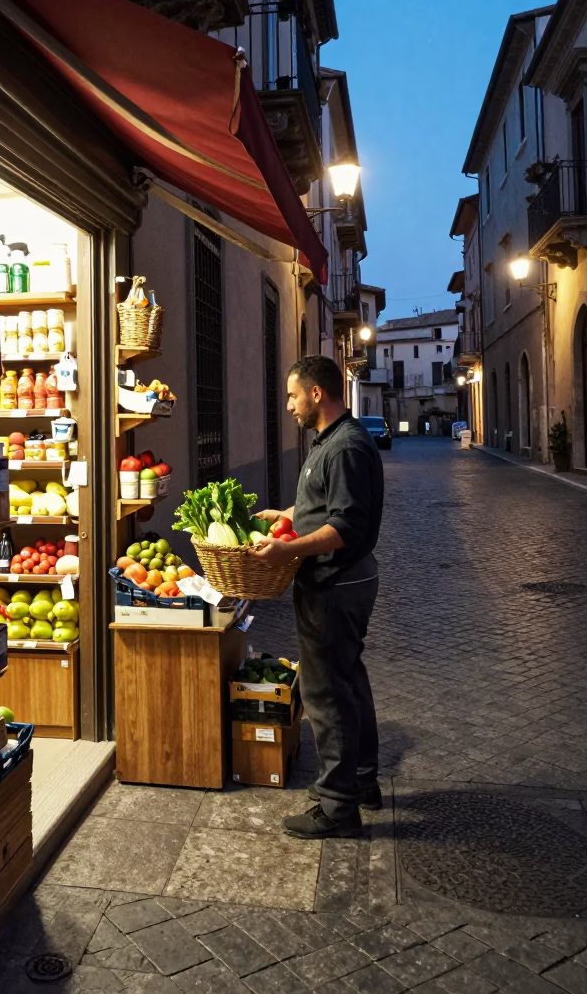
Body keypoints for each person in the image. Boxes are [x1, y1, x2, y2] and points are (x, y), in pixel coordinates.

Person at [250, 355, 384, 839]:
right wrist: (288, 513)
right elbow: (327, 506)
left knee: (325, 693)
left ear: (316, 394)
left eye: (291, 395)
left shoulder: (345, 446)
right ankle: (360, 782)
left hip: (335, 583)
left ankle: (338, 807)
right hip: (339, 582)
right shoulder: (331, 442)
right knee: (349, 682)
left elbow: (346, 526)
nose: (288, 405)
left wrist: (289, 548)